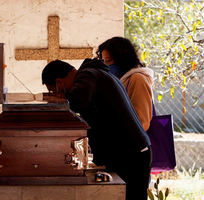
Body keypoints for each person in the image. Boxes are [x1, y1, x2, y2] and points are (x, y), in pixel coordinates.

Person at [42, 58, 151, 200]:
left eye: (53, 91)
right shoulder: (95, 74)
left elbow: (78, 101)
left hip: (131, 154)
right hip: (131, 152)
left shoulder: (87, 75)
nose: (57, 93)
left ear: (59, 83)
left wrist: (61, 99)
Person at [97, 37, 154, 131]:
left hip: (131, 143)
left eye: (109, 60)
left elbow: (142, 122)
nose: (106, 66)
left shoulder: (137, 79)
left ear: (122, 59)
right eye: (103, 61)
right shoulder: (117, 80)